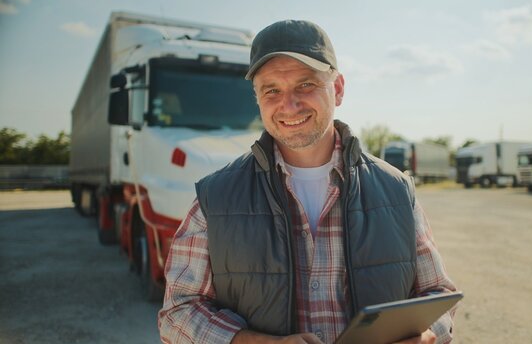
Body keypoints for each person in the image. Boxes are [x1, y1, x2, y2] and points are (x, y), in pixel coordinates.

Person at [158, 19, 457, 344]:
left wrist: (428, 336)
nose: (289, 104)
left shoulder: (397, 190)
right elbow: (177, 314)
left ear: (338, 88)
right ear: (257, 98)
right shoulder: (214, 199)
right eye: (272, 90)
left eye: (306, 85)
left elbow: (438, 294)